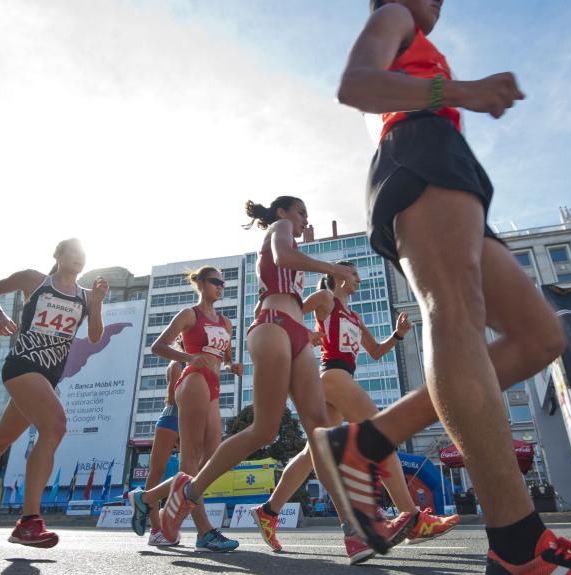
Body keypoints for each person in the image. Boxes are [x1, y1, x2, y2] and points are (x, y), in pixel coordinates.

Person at [308, 0, 571, 575]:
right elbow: (357, 85)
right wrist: (463, 90)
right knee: (452, 312)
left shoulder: (413, 35)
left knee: (540, 335)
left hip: (441, 159)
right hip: (420, 150)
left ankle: (368, 440)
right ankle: (522, 552)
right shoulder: (396, 16)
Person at [158, 197, 383, 549]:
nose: (305, 219)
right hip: (272, 325)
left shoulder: (295, 245)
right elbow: (283, 259)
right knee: (264, 430)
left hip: (294, 331)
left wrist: (308, 324)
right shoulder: (279, 231)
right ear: (281, 214)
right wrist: (333, 269)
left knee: (320, 431)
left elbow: (293, 269)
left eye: (308, 215)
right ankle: (187, 492)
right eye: (300, 212)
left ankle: (352, 531)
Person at [252, 260, 459, 563]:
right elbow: (292, 313)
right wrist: (306, 334)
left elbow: (375, 351)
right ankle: (412, 519)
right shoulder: (326, 299)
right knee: (382, 433)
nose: (358, 278)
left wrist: (397, 335)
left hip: (340, 381)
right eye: (353, 273)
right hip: (331, 376)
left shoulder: (354, 315)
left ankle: (268, 511)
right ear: (337, 276)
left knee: (313, 454)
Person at [0, 238, 107, 552]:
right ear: (57, 255)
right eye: (73, 252)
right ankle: (29, 521)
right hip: (22, 365)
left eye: (84, 255)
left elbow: (95, 337)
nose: (79, 259)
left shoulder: (85, 297)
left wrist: (96, 304)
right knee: (54, 426)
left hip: (46, 378)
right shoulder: (35, 280)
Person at [130, 266, 242, 552]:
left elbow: (226, 356)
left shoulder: (226, 323)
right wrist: (188, 356)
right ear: (201, 284)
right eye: (215, 282)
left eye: (223, 284)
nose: (220, 287)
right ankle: (204, 532)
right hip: (192, 379)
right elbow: (158, 346)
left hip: (214, 385)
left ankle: (147, 498)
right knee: (190, 461)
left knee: (212, 460)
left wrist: (232, 365)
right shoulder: (189, 314)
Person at [143, 358, 184, 546]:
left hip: (186, 421)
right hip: (171, 419)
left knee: (190, 474)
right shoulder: (177, 364)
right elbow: (174, 398)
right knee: (156, 474)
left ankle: (165, 519)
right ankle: (155, 529)